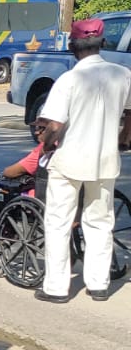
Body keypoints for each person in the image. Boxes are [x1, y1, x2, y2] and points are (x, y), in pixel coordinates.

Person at [34, 17, 131, 304]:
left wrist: (46, 145)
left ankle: (56, 287)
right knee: (100, 221)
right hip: (105, 160)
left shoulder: (70, 79)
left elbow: (53, 126)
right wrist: (123, 140)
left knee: (58, 223)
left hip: (70, 162)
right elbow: (130, 115)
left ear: (73, 45)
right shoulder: (122, 74)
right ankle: (99, 285)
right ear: (103, 43)